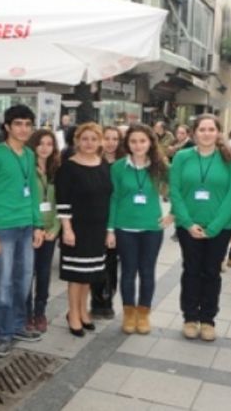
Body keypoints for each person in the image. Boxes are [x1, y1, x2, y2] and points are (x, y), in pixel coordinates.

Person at [0, 105, 44, 357]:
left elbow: (34, 193)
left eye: (28, 124)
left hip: (26, 227)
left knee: (24, 280)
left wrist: (37, 224)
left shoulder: (29, 154)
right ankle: (3, 333)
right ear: (7, 127)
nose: (23, 129)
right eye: (18, 124)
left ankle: (17, 325)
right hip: (2, 229)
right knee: (3, 283)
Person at [170, 114, 231, 342]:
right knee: (191, 270)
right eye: (202, 129)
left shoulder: (230, 158)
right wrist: (188, 223)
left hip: (220, 227)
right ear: (194, 132)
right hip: (188, 225)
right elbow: (175, 191)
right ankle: (190, 317)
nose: (207, 133)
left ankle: (208, 319)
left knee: (211, 272)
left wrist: (216, 226)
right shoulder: (182, 157)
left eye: (211, 129)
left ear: (218, 132)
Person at [106, 123, 172, 335]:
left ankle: (143, 313)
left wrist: (173, 214)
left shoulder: (160, 166)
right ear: (127, 144)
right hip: (125, 227)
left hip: (152, 227)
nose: (138, 145)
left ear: (150, 142)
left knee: (147, 271)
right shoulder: (117, 167)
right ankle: (128, 313)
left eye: (142, 141)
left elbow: (178, 189)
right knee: (127, 271)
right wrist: (110, 229)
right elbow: (114, 199)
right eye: (133, 141)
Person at [56, 123, 113, 337]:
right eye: (85, 139)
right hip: (77, 228)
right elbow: (62, 201)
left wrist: (109, 229)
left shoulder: (104, 164)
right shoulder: (68, 167)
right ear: (77, 141)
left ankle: (83, 310)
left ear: (100, 142)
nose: (89, 143)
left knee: (89, 274)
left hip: (98, 228)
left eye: (94, 139)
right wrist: (67, 229)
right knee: (76, 275)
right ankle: (73, 313)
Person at [25, 129, 61, 333]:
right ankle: (26, 313)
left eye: (49, 143)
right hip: (31, 229)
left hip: (50, 231)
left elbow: (61, 202)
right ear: (34, 145)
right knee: (27, 273)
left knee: (44, 273)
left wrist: (55, 228)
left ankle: (40, 313)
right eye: (41, 143)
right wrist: (35, 227)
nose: (45, 147)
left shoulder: (58, 170)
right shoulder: (27, 169)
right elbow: (26, 201)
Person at [91, 126, 125, 319]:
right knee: (96, 262)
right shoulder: (94, 161)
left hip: (116, 220)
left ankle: (108, 300)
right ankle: (96, 301)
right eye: (107, 138)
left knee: (111, 263)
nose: (111, 142)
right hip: (95, 219)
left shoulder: (123, 165)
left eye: (115, 139)